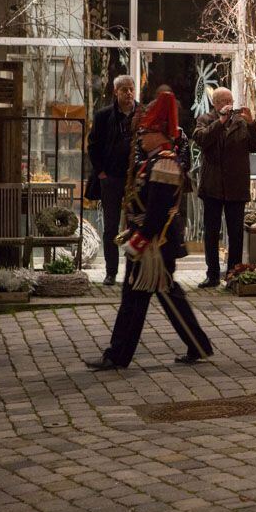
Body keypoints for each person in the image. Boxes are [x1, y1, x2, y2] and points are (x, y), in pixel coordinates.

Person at [84, 92, 213, 370]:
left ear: (159, 134)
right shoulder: (152, 161)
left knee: (137, 298)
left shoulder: (164, 162)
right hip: (150, 243)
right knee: (159, 296)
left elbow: (156, 211)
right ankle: (197, 344)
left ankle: (118, 355)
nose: (140, 137)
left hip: (155, 244)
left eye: (145, 132)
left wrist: (139, 241)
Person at [192, 87, 256, 288]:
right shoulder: (205, 120)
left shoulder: (242, 123)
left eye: (230, 100)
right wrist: (220, 122)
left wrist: (252, 124)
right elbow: (201, 139)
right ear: (215, 103)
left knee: (235, 233)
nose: (228, 104)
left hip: (236, 186)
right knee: (211, 232)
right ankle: (212, 274)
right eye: (224, 100)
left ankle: (233, 274)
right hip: (213, 186)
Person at [87, 74, 138, 286]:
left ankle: (134, 271)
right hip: (111, 178)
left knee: (136, 225)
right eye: (124, 89)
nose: (128, 93)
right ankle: (110, 272)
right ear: (115, 92)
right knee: (110, 227)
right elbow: (93, 145)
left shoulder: (143, 114)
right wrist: (101, 173)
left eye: (131, 89)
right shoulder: (103, 116)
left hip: (136, 180)